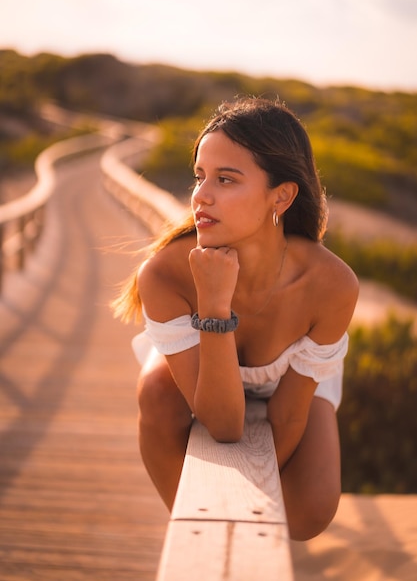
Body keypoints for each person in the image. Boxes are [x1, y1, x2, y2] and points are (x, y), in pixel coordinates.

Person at [113, 97, 359, 541]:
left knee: (312, 511)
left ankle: (243, 533)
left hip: (292, 385)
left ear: (281, 196)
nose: (201, 196)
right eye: (200, 176)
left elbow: (286, 419)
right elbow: (223, 425)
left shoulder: (330, 284)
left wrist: (250, 496)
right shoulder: (166, 273)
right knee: (154, 391)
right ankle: (196, 533)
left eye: (226, 179)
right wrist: (214, 305)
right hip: (201, 369)